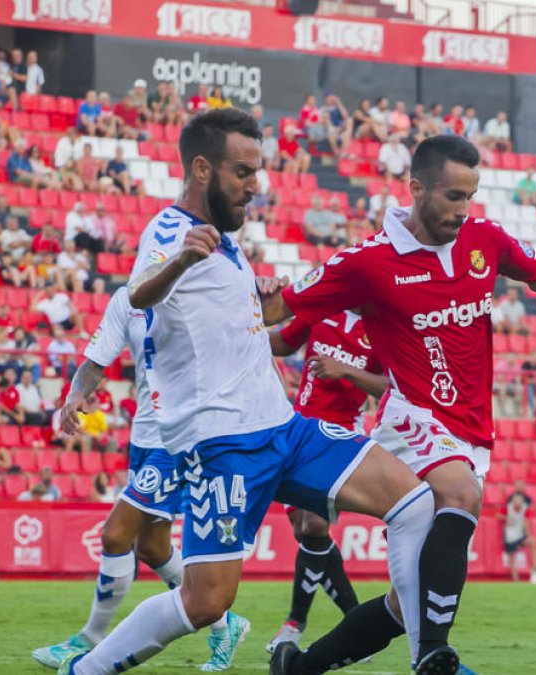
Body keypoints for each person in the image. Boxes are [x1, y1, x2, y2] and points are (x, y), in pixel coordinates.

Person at [260, 134, 536, 673]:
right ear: (416, 189)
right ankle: (435, 655)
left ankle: (299, 667)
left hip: (471, 430)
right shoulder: (367, 262)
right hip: (410, 416)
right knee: (459, 494)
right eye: (453, 196)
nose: (463, 210)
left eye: (470, 196)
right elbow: (281, 310)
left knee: (402, 602)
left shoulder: (484, 239)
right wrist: (247, 294)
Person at [55, 109, 444, 675]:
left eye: (256, 172)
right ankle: (85, 668)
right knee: (205, 602)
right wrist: (184, 259)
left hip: (283, 429)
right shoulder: (170, 231)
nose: (254, 186)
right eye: (242, 172)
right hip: (223, 446)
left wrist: (258, 300)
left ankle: (427, 658)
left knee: (414, 502)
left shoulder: (226, 239)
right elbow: (139, 294)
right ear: (202, 168)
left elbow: (228, 323)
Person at [32, 286, 253, 673]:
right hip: (144, 438)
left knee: (115, 535)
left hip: (181, 437)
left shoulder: (198, 294)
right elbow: (95, 362)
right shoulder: (127, 299)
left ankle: (88, 641)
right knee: (151, 547)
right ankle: (225, 624)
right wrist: (75, 395)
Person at [263, 309, 389, 653]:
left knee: (315, 526)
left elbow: (390, 386)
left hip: (340, 434)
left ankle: (293, 624)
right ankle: (358, 622)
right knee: (305, 532)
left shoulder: (381, 327)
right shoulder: (321, 310)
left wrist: (347, 371)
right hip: (298, 430)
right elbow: (284, 341)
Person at [501, 491, 536, 583]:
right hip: (510, 537)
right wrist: (506, 518)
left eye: (519, 500)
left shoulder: (525, 509)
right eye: (516, 500)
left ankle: (535, 569)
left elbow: (526, 521)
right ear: (513, 501)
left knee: (533, 541)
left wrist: (527, 534)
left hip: (520, 535)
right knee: (512, 557)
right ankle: (515, 579)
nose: (518, 501)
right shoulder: (507, 508)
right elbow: (497, 514)